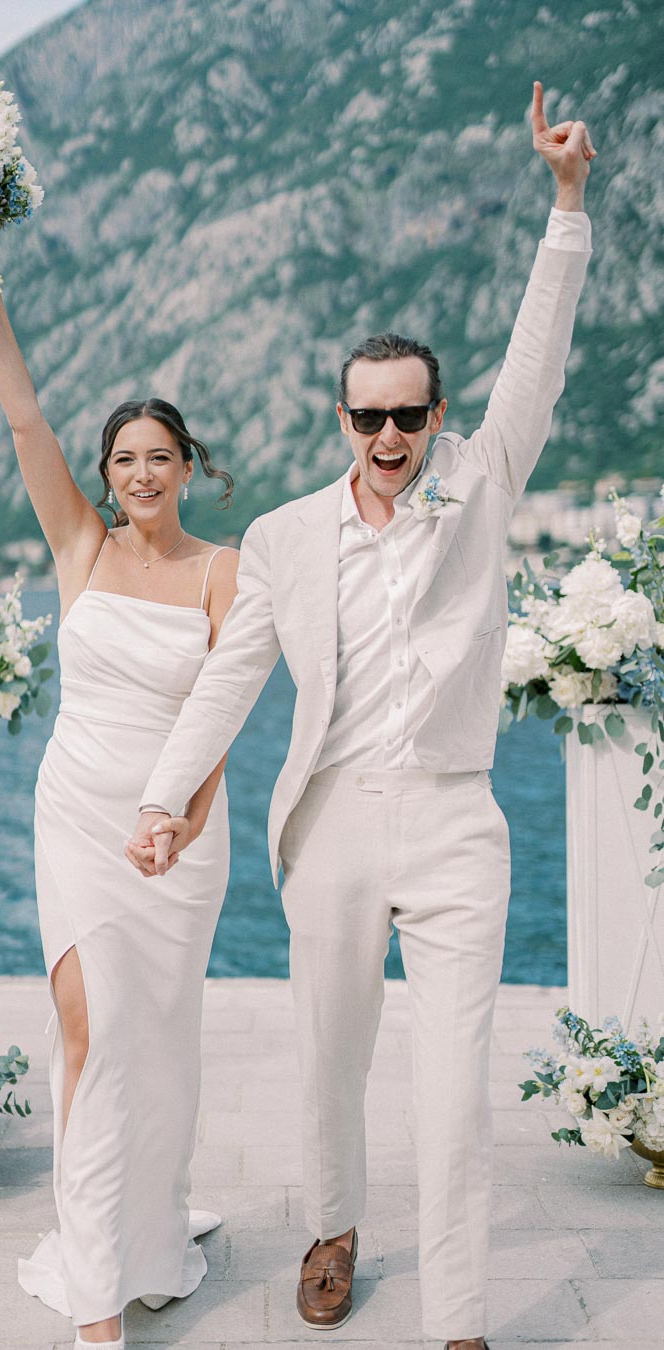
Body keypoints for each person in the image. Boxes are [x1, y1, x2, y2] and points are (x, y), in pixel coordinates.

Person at [126, 83, 595, 1349]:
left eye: (410, 413)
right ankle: (332, 1226)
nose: (390, 433)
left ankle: (458, 1320)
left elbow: (539, 353)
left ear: (436, 418)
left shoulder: (483, 483)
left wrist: (566, 202)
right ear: (341, 420)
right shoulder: (284, 536)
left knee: (455, 1095)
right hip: (327, 822)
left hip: (454, 822)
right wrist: (166, 796)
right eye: (368, 414)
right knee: (329, 1059)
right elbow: (229, 677)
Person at [0, 207, 240, 1348]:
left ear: (187, 468)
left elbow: (217, 726)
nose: (142, 473)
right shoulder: (81, 546)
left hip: (178, 837)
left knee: (158, 1040)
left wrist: (181, 820)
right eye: (125, 459)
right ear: (108, 476)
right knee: (95, 1030)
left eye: (161, 456)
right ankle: (97, 1297)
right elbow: (23, 412)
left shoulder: (223, 572)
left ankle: (142, 1222)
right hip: (76, 816)